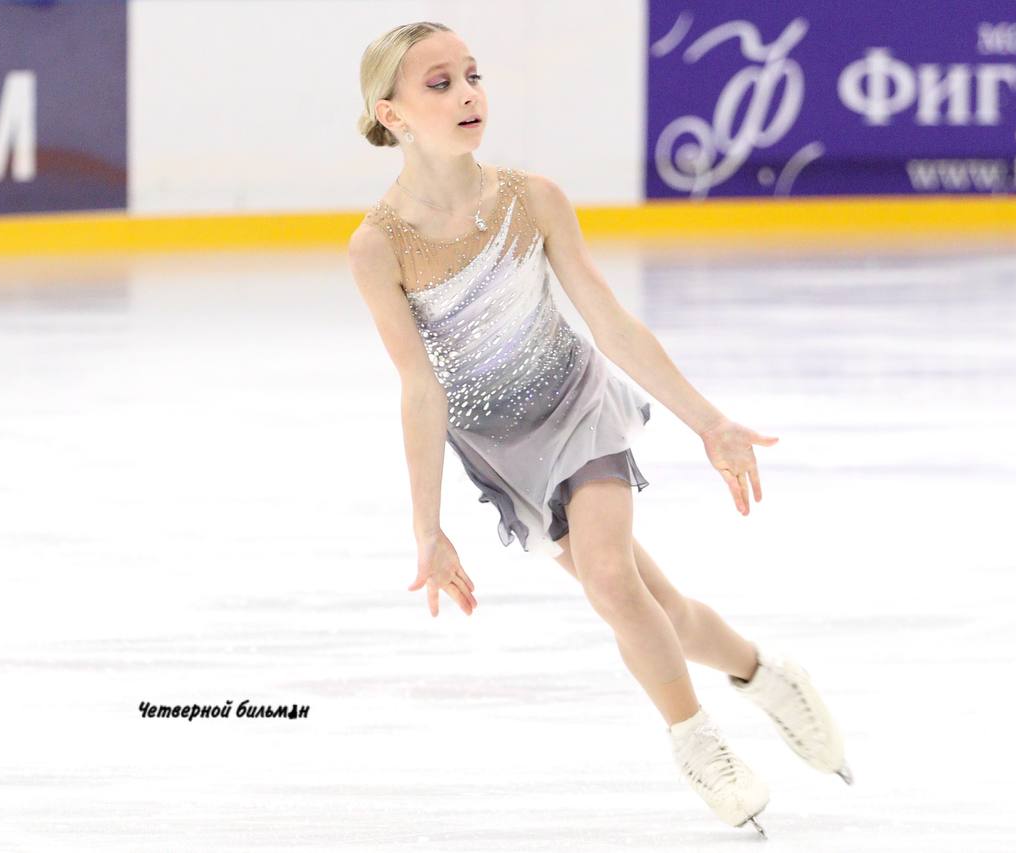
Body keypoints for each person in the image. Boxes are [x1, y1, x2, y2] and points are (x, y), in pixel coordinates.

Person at [346, 21, 851, 835]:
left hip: (577, 406)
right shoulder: (378, 247)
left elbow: (610, 323)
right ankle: (765, 675)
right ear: (392, 114)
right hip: (503, 452)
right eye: (439, 83)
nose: (468, 93)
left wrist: (708, 422)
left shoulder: (532, 199)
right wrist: (427, 528)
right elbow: (419, 389)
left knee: (612, 582)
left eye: (472, 74)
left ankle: (698, 746)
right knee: (658, 610)